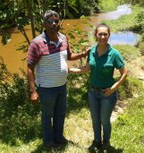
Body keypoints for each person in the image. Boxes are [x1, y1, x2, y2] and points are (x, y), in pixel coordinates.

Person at [27, 10, 90, 148]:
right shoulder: (37, 43)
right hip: (46, 87)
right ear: (44, 24)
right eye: (50, 21)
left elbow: (68, 56)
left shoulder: (63, 38)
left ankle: (59, 137)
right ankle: (49, 142)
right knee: (47, 115)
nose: (54, 23)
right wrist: (33, 91)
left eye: (56, 20)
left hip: (62, 85)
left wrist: (83, 54)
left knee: (60, 113)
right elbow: (30, 68)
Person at [69, 23, 127, 150]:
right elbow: (86, 68)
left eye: (105, 34)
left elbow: (124, 73)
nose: (102, 36)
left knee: (104, 120)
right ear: (96, 35)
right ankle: (96, 141)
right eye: (100, 34)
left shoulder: (114, 53)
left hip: (108, 94)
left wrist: (113, 88)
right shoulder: (92, 51)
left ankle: (106, 141)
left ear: (108, 35)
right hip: (92, 92)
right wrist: (69, 70)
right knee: (95, 119)